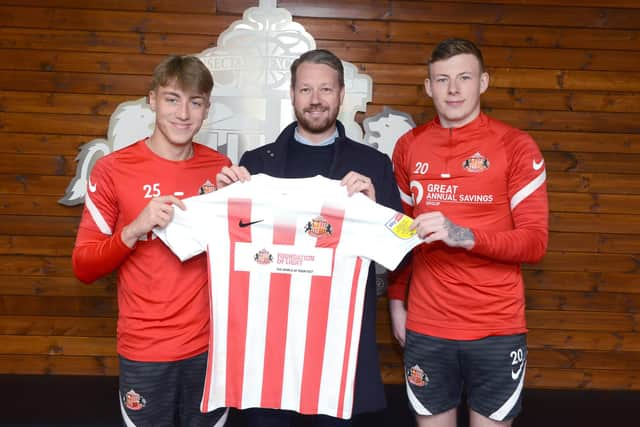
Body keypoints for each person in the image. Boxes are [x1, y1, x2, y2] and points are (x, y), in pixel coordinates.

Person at [216, 49, 403, 426]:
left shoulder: (373, 165)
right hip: (267, 353)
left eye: (325, 89)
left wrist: (375, 210)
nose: (315, 99)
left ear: (341, 94)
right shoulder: (256, 163)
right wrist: (221, 200)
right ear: (291, 94)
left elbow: (401, 250)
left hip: (337, 354)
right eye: (305, 89)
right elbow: (229, 245)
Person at [388, 38, 549, 427]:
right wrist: (396, 301)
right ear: (429, 87)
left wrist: (464, 235)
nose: (454, 89)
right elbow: (401, 234)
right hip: (427, 325)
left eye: (464, 77)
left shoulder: (515, 145)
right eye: (442, 79)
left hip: (495, 326)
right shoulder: (408, 146)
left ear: (483, 82)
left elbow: (534, 242)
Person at [72, 55, 231, 426]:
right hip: (144, 349)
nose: (183, 113)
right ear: (152, 100)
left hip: (210, 351)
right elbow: (83, 266)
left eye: (195, 102)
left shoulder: (220, 169)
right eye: (173, 99)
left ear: (206, 109)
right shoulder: (113, 170)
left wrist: (241, 203)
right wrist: (133, 230)